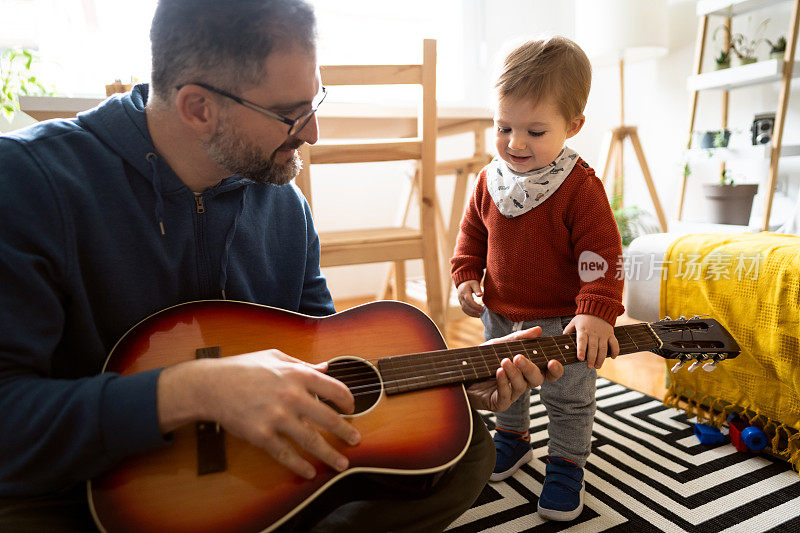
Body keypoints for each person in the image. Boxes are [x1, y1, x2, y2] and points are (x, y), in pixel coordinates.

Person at [0, 1, 565, 531]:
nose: (312, 133)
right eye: (291, 115)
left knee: (461, 453)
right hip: (93, 486)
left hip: (258, 473)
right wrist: (189, 392)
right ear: (199, 107)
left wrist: (449, 390)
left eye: (315, 102)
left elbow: (328, 357)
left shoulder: (283, 206)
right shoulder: (31, 184)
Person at [451, 36, 625, 522]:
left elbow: (602, 256)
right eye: (503, 126)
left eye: (534, 130)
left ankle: (567, 461)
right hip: (500, 309)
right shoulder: (491, 179)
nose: (515, 143)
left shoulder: (580, 188)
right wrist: (466, 274)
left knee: (567, 395)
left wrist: (595, 311)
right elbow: (472, 234)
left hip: (562, 320)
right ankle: (513, 438)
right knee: (503, 381)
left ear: (573, 126)